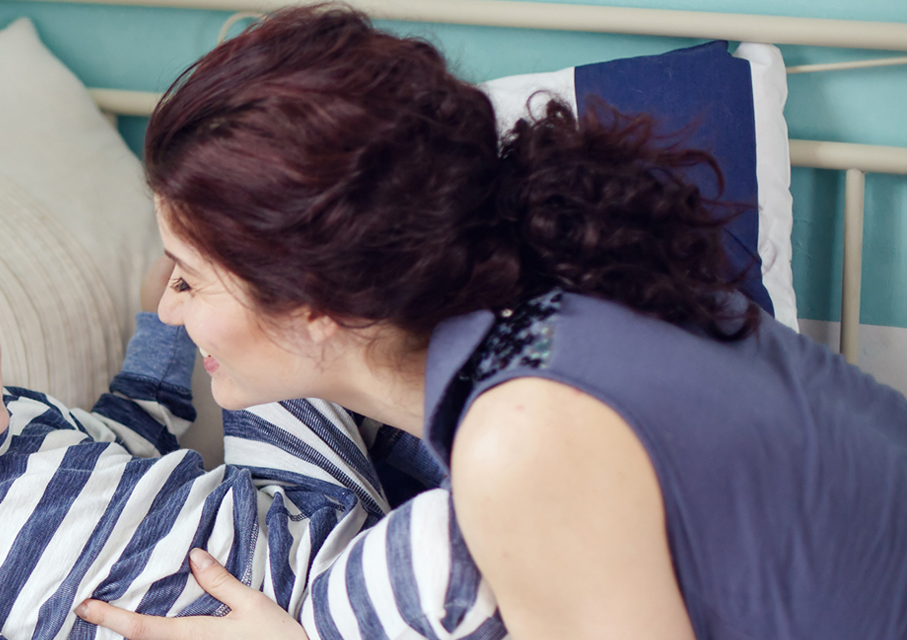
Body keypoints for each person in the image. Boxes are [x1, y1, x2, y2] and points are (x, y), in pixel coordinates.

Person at [74, 5, 907, 640]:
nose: (168, 309)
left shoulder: (523, 435)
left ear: (314, 304)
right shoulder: (557, 284)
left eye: (189, 279)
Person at [0, 209, 495, 639]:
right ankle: (486, 478)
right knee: (458, 547)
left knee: (282, 335)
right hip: (301, 610)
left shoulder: (25, 418)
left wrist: (162, 323)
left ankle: (440, 433)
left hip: (295, 500)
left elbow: (135, 428)